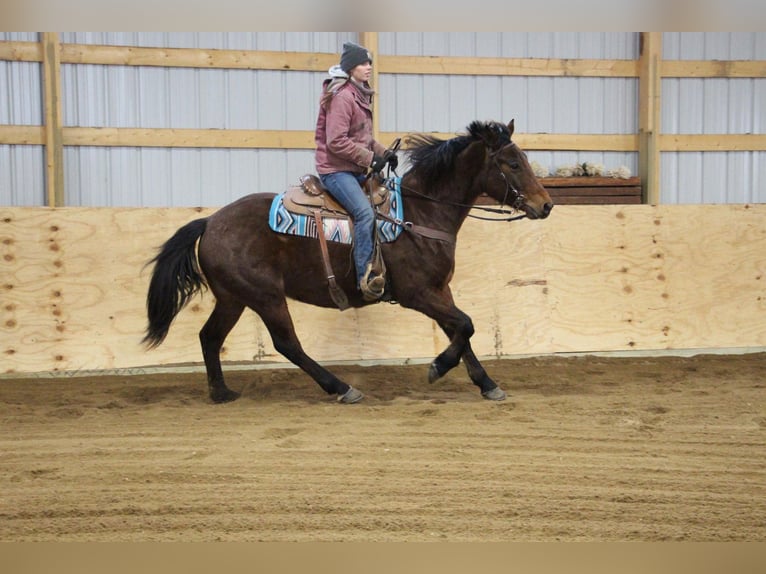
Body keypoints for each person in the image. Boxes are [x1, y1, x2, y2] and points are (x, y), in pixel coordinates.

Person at [314, 41, 398, 301]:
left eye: (370, 62)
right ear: (350, 68)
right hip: (336, 171)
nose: (369, 67)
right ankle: (365, 277)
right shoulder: (343, 97)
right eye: (363, 63)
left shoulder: (357, 94)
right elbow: (336, 141)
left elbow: (363, 138)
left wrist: (385, 153)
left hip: (352, 167)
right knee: (364, 214)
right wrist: (371, 158)